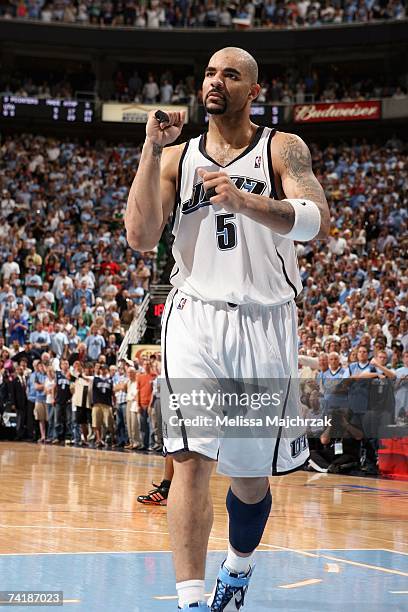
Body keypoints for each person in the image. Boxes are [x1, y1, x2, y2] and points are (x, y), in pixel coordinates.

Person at [125, 47, 329, 611]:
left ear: (252, 91)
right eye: (211, 73)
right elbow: (141, 236)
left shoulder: (281, 148)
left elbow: (315, 219)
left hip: (266, 323)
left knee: (248, 479)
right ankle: (191, 601)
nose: (216, 81)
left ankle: (237, 570)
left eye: (230, 74)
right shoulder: (178, 158)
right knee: (189, 458)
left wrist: (245, 200)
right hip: (194, 318)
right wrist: (150, 149)